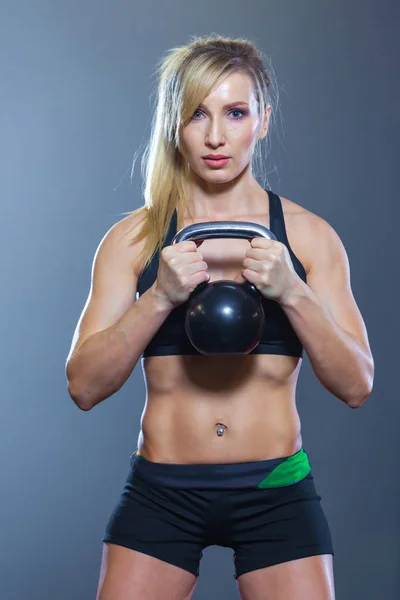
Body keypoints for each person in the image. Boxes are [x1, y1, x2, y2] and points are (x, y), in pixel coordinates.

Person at [66, 34, 374, 600]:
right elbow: (84, 387)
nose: (214, 136)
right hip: (163, 491)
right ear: (174, 125)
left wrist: (293, 293)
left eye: (235, 113)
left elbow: (357, 385)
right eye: (196, 115)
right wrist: (157, 296)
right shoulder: (133, 242)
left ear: (262, 119)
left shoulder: (307, 236)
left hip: (276, 489)